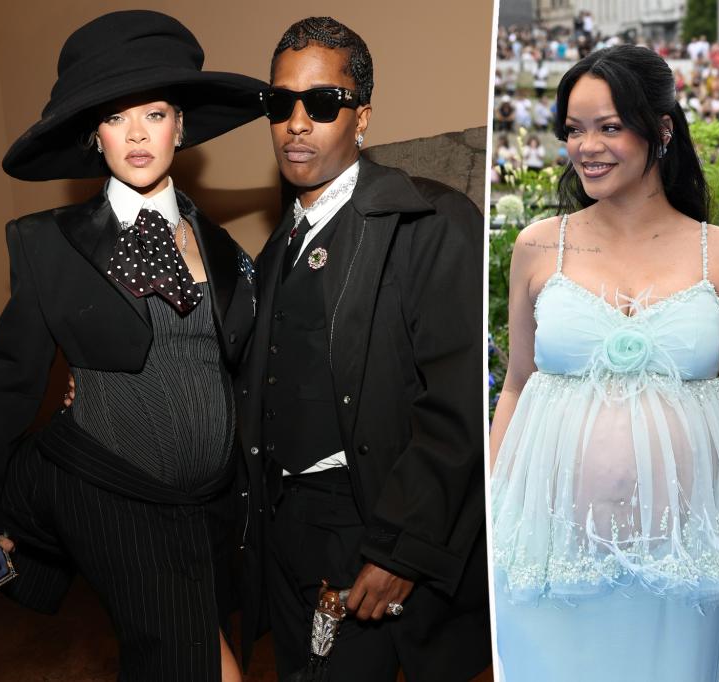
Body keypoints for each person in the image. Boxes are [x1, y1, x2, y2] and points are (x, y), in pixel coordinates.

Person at [0, 10, 263, 681]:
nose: (136, 133)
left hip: (210, 504)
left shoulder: (225, 246)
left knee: (187, 653)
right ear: (92, 137)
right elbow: (10, 382)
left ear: (181, 126)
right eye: (114, 117)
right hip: (112, 496)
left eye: (155, 113)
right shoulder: (47, 243)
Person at [489, 44, 719, 681]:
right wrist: (484, 521)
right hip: (541, 556)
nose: (587, 146)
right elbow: (516, 387)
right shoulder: (538, 245)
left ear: (660, 130)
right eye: (574, 129)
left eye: (609, 126)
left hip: (684, 561)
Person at [236, 17, 490, 681]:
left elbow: (457, 405)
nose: (296, 122)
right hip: (287, 534)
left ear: (362, 118)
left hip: (372, 526)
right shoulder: (268, 257)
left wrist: (401, 549)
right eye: (279, 102)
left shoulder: (430, 223)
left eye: (322, 103)